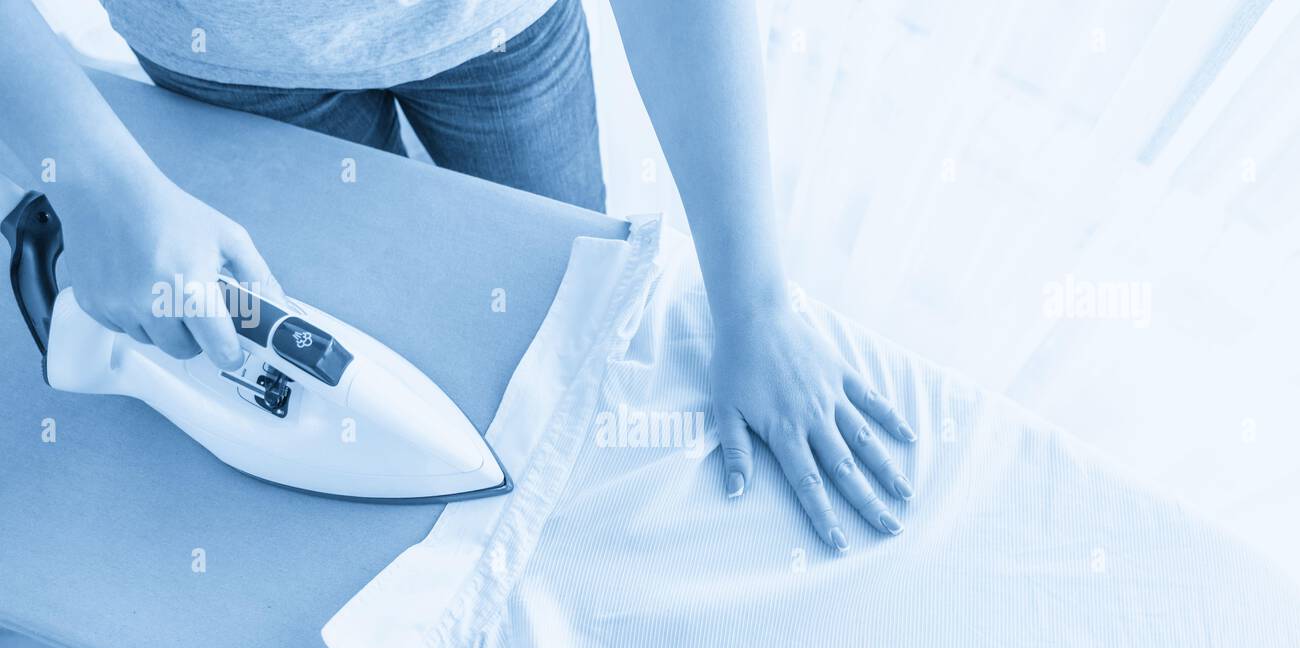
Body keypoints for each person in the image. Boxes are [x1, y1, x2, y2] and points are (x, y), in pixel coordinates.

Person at [0, 0, 916, 546]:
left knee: (554, 299)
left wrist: (752, 302)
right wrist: (97, 183)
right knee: (370, 313)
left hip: (496, 33)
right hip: (224, 55)